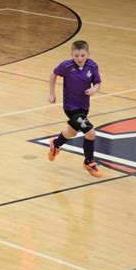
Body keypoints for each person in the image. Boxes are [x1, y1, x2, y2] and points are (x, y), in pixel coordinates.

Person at [47, 40, 102, 177]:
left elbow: (97, 82)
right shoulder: (66, 66)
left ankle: (56, 143)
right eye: (76, 56)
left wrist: (94, 89)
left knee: (71, 133)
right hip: (71, 107)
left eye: (82, 55)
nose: (79, 58)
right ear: (71, 54)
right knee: (90, 133)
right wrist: (52, 93)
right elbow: (53, 74)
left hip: (84, 106)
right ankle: (89, 162)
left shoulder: (92, 65)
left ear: (88, 54)